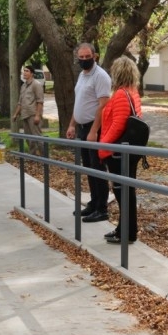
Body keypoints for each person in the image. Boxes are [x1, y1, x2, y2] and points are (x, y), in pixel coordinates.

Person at [98, 57, 143, 244]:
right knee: (127, 191)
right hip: (129, 150)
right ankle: (124, 229)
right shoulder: (133, 92)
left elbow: (118, 125)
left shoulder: (120, 95)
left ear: (117, 73)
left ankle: (127, 232)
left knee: (122, 192)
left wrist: (103, 146)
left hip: (118, 152)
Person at [65, 43, 112, 222]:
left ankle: (102, 209)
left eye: (87, 57)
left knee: (97, 169)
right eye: (81, 57)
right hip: (82, 128)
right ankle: (94, 203)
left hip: (95, 128)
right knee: (88, 168)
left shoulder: (100, 76)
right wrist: (72, 124)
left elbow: (103, 105)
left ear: (95, 56)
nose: (84, 60)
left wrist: (94, 131)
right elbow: (80, 102)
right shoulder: (82, 75)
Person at [12, 65, 45, 156]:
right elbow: (20, 102)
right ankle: (32, 156)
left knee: (37, 136)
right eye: (24, 71)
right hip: (25, 114)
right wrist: (15, 114)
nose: (24, 73)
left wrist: (37, 115)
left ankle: (45, 156)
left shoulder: (36, 84)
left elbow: (40, 101)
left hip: (33, 114)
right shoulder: (23, 86)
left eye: (27, 71)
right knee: (28, 138)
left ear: (32, 73)